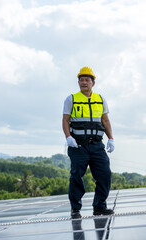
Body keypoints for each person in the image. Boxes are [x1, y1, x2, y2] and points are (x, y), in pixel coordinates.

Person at [62, 66, 115, 219]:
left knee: (105, 174)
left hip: (97, 145)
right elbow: (65, 120)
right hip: (78, 145)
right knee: (76, 175)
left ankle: (99, 206)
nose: (84, 82)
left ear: (93, 83)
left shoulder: (100, 99)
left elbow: (105, 120)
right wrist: (68, 137)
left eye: (87, 80)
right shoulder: (71, 99)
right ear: (78, 82)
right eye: (81, 80)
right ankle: (75, 208)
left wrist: (111, 138)